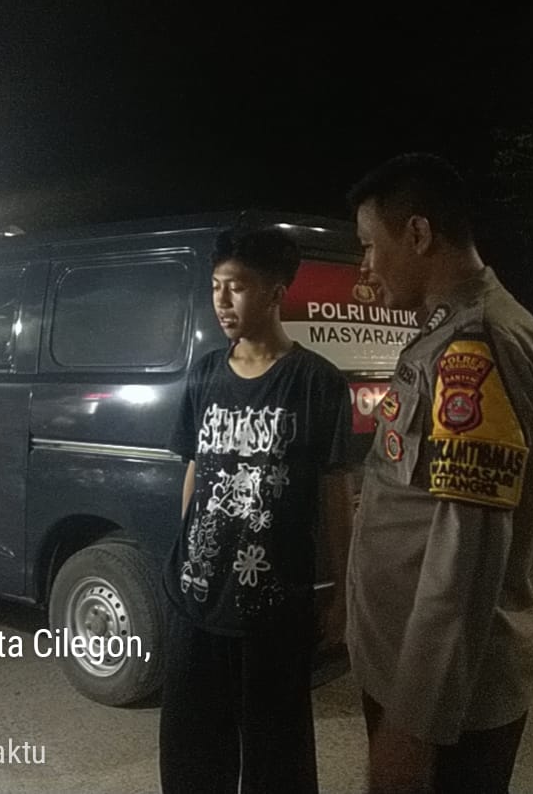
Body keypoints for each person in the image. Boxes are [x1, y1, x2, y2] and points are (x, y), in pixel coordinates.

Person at [344, 154, 533, 794]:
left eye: (370, 246)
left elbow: (468, 552)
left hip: (445, 704)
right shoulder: (443, 332)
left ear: (417, 233)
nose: (364, 266)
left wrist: (414, 722)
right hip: (409, 674)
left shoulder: (477, 341)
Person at [158, 226, 353, 794]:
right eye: (215, 286)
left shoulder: (316, 382)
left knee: (277, 762)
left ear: (275, 293)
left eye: (237, 287)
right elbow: (195, 468)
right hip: (195, 601)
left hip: (273, 612)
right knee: (192, 756)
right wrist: (188, 554)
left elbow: (334, 493)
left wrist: (341, 594)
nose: (221, 301)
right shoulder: (205, 374)